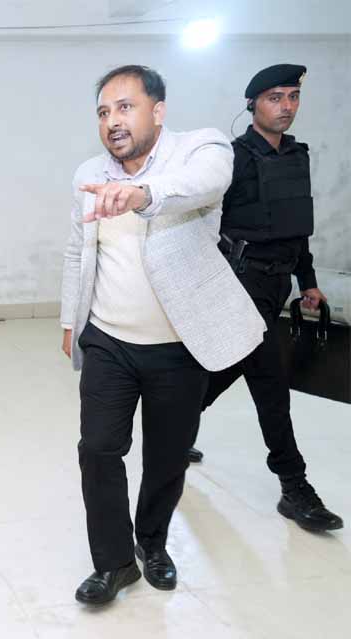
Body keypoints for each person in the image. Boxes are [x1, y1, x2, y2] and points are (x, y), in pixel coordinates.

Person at [60, 65, 264, 606]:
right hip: (108, 338)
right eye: (104, 112)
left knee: (167, 458)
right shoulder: (88, 173)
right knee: (98, 449)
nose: (113, 121)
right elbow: (78, 249)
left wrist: (142, 194)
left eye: (125, 107)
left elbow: (208, 183)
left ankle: (151, 543)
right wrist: (69, 320)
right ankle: (113, 563)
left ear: (158, 110)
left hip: (179, 345)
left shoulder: (201, 149)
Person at [191, 64, 343, 532]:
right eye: (276, 97)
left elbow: (298, 226)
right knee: (270, 382)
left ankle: (176, 425)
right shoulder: (231, 158)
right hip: (240, 282)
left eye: (293, 96)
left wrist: (307, 280)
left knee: (228, 367)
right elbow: (201, 222)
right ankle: (294, 485)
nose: (287, 106)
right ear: (252, 104)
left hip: (277, 284)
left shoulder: (297, 155)